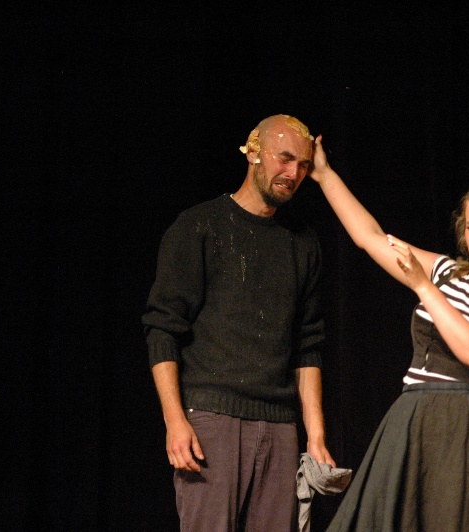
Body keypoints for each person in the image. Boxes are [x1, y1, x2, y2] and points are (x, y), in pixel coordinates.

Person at [309, 135, 469, 532]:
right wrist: (324, 175)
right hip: (412, 418)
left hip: (467, 428)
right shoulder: (446, 272)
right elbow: (370, 237)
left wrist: (423, 286)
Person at [142, 114, 336, 532]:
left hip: (280, 427)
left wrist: (315, 435)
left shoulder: (303, 242)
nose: (294, 174)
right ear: (253, 153)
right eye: (285, 159)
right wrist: (175, 420)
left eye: (303, 165)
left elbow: (308, 344)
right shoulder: (199, 226)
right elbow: (163, 329)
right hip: (212, 420)